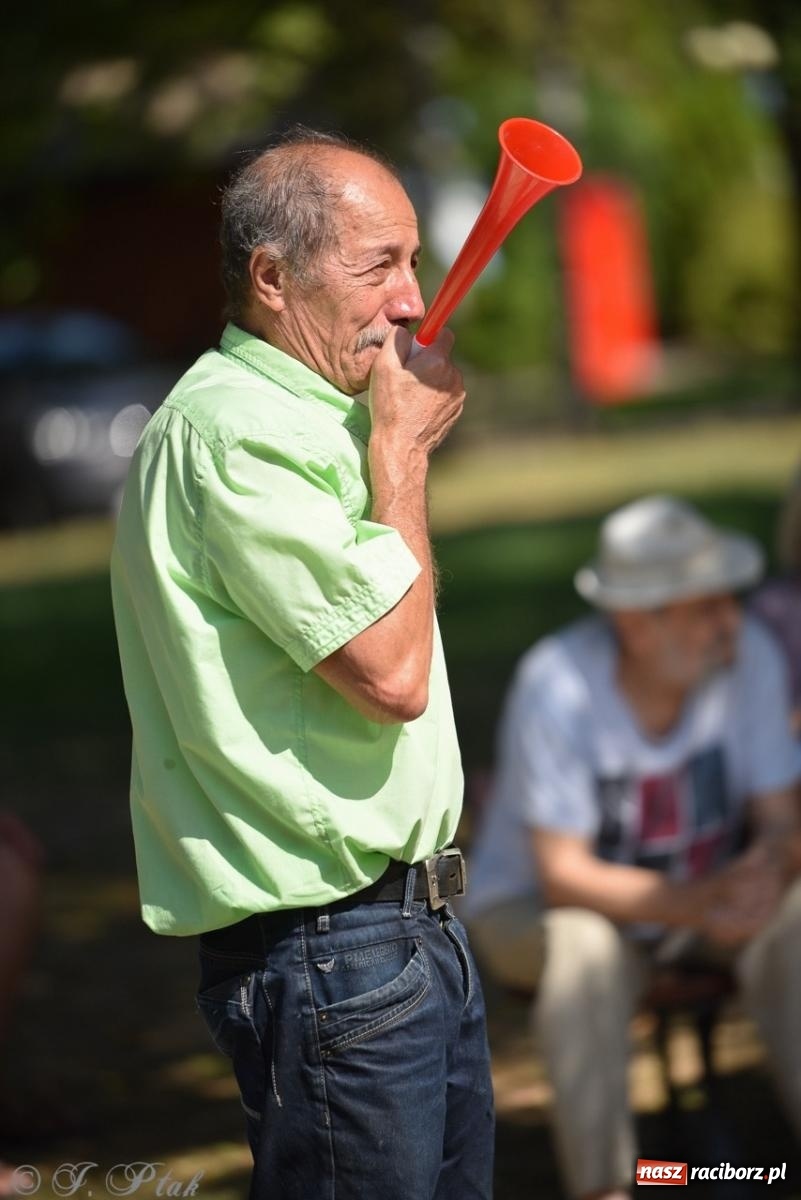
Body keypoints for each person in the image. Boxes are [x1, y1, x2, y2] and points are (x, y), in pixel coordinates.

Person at [110, 128, 494, 1200]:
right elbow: (392, 675)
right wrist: (403, 459)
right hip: (333, 954)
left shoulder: (316, 417)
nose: (413, 301)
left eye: (415, 262)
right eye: (380, 266)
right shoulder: (236, 435)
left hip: (399, 938)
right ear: (274, 279)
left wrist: (384, 452)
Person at [465, 495, 801, 1200]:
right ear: (636, 623)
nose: (729, 622)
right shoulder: (557, 683)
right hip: (539, 908)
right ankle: (607, 1186)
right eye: (704, 606)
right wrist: (701, 901)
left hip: (699, 900)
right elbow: (561, 877)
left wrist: (765, 870)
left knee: (795, 918)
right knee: (583, 946)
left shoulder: (750, 661)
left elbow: (778, 816)